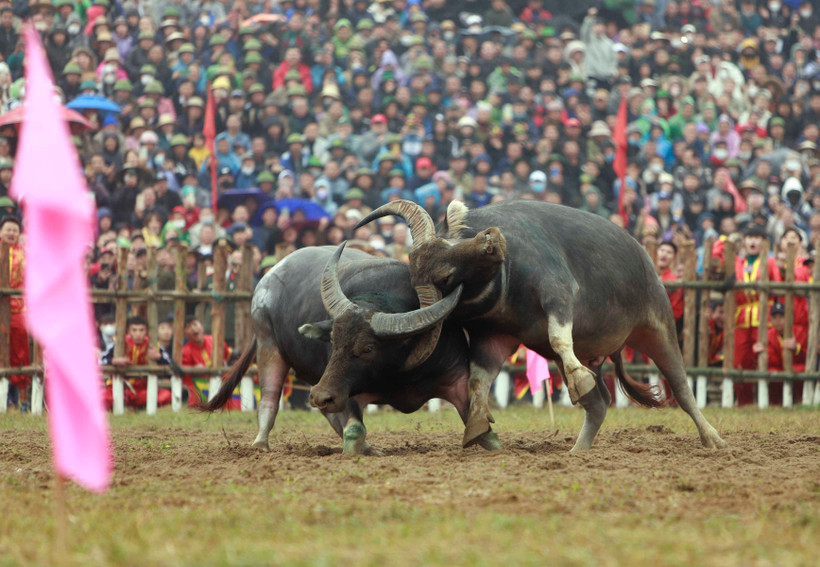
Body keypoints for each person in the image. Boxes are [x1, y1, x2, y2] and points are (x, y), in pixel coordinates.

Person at [733, 224, 781, 406]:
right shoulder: (738, 262)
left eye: (757, 237)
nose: (753, 241)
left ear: (764, 242)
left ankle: (770, 401)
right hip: (741, 317)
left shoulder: (769, 262)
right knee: (740, 359)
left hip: (765, 316)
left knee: (767, 357)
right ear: (743, 241)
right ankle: (744, 401)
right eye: (749, 237)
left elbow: (777, 288)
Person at [100, 316, 173, 410]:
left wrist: (158, 357)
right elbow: (101, 361)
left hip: (143, 390)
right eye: (134, 330)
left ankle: (135, 406)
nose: (138, 334)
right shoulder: (118, 344)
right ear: (128, 331)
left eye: (141, 330)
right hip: (121, 388)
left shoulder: (154, 345)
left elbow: (170, 365)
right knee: (102, 397)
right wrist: (113, 361)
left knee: (166, 396)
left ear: (146, 331)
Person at [1, 216, 29, 410]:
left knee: (21, 353)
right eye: (8, 229)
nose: (11, 233)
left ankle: (23, 400)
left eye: (14, 230)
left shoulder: (26, 254)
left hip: (19, 308)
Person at [754, 302, 804, 406]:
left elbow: (806, 356)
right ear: (770, 319)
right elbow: (772, 360)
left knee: (801, 370)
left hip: (795, 368)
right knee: (770, 372)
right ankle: (775, 403)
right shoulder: (768, 335)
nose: (778, 321)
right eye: (775, 317)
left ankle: (800, 401)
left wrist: (796, 348)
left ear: (788, 318)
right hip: (778, 369)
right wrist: (761, 352)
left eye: (781, 317)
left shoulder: (799, 331)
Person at [180, 316, 232, 406]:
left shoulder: (216, 341)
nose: (193, 328)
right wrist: (194, 370)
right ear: (185, 334)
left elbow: (226, 357)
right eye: (188, 327)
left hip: (224, 383)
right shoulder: (185, 351)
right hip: (200, 387)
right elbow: (185, 378)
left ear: (202, 327)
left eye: (195, 324)